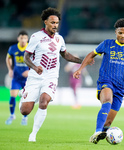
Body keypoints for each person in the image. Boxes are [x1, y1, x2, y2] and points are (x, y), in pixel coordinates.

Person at [19, 7, 82, 142]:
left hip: (51, 77)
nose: (55, 25)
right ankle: (24, 93)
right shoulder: (36, 37)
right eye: (52, 22)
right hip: (35, 77)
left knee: (44, 101)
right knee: (25, 111)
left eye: (57, 23)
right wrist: (35, 68)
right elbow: (26, 58)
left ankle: (33, 135)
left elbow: (65, 55)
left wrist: (82, 61)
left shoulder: (59, 39)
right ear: (45, 22)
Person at [5, 30, 29, 125]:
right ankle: (12, 115)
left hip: (27, 79)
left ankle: (25, 117)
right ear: (18, 39)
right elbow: (8, 58)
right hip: (16, 77)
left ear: (27, 39)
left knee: (26, 98)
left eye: (25, 38)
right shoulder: (13, 48)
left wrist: (30, 71)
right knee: (12, 96)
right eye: (21, 38)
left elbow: (37, 62)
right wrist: (10, 69)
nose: (23, 40)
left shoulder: (30, 49)